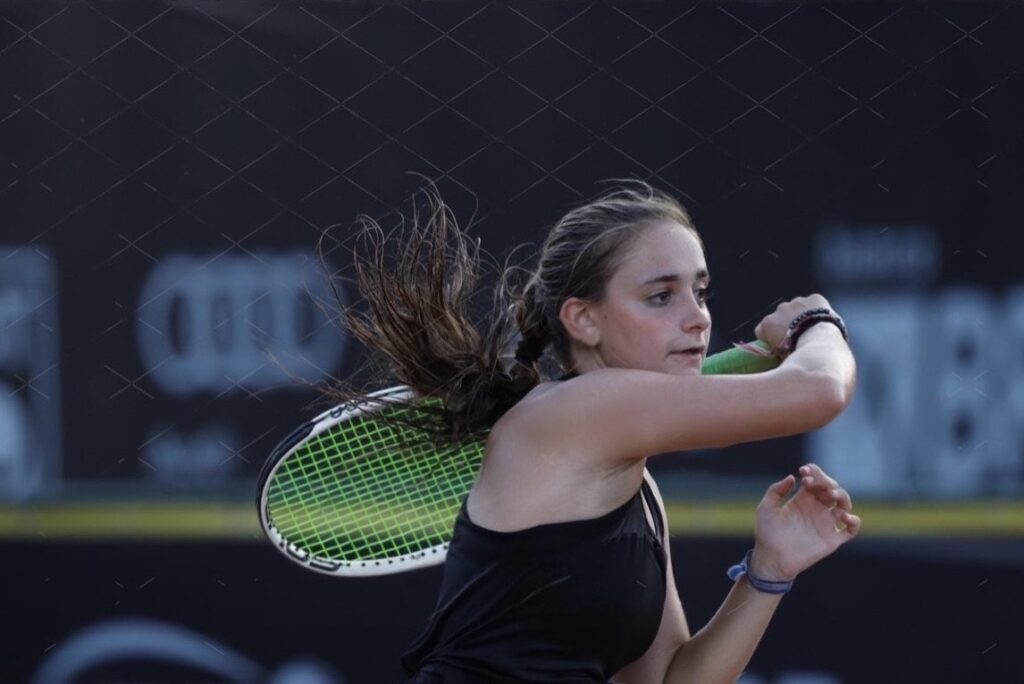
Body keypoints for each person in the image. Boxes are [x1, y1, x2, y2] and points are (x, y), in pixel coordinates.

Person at [332, 180, 859, 683]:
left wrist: (769, 570)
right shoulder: (576, 412)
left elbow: (669, 681)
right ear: (583, 320)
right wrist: (816, 322)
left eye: (700, 292)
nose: (698, 318)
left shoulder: (636, 484)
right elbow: (819, 390)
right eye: (661, 296)